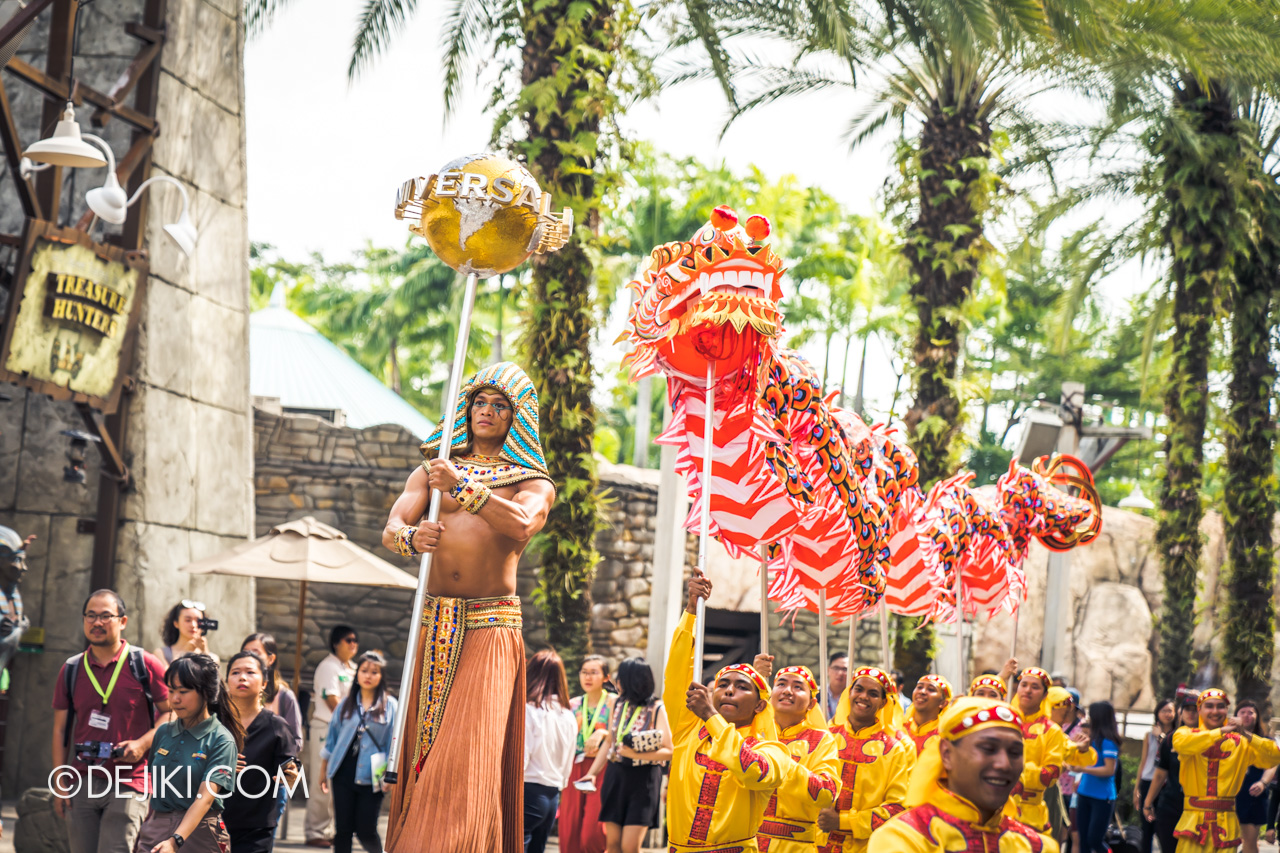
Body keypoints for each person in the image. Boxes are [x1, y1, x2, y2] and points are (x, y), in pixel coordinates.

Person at [383, 362, 556, 853]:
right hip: (434, 620)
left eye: (500, 405)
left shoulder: (532, 480)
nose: (487, 411)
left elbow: (522, 525)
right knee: (424, 748)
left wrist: (461, 486)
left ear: (516, 417)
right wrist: (412, 538)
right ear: (467, 408)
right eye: (480, 402)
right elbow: (391, 528)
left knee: (466, 752)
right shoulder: (432, 466)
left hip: (491, 622)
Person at [663, 573, 794, 851]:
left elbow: (754, 770)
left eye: (741, 687)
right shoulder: (688, 730)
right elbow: (677, 674)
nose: (729, 690)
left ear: (760, 705)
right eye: (722, 684)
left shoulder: (772, 750)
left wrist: (711, 716)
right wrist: (691, 610)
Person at [52, 589, 173, 853]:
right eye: (91, 616)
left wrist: (142, 743)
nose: (97, 623)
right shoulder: (71, 668)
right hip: (82, 779)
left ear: (123, 621)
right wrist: (60, 781)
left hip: (130, 780)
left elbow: (172, 712)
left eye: (106, 616)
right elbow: (61, 729)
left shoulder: (145, 664)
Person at [866, 697, 1057, 852]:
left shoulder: (1038, 846)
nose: (1004, 764)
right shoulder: (904, 839)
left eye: (1015, 753)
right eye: (988, 748)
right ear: (947, 754)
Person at [134, 654, 243, 853]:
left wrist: (175, 841)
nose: (175, 699)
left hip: (200, 835)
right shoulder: (163, 732)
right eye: (171, 690)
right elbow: (155, 788)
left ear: (207, 693)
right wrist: (145, 830)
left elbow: (205, 799)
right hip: (156, 829)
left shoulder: (221, 740)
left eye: (183, 691)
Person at [816, 665, 914, 853]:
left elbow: (896, 809)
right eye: (858, 689)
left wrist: (843, 821)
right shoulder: (826, 737)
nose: (863, 697)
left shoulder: (893, 750)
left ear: (883, 702)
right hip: (816, 843)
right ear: (849, 693)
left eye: (873, 693)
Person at [1170, 688, 1280, 853]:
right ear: (1199, 709)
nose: (1215, 711)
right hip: (1193, 824)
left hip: (1225, 824)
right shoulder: (1186, 733)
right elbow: (1182, 745)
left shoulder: (1240, 741)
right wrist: (1221, 731)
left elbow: (1273, 757)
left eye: (1220, 706)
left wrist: (1246, 734)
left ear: (1227, 710)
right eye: (1209, 706)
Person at [581, 657, 673, 853]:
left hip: (644, 780)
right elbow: (609, 743)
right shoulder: (618, 704)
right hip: (615, 775)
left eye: (620, 678)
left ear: (632, 680)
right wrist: (592, 773)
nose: (617, 682)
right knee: (612, 846)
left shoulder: (657, 708)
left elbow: (669, 751)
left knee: (629, 848)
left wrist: (633, 754)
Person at [749, 655, 840, 852]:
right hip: (746, 843)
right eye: (781, 684)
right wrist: (754, 677)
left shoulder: (821, 740)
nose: (788, 691)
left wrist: (781, 763)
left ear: (810, 703)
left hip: (795, 846)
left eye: (798, 687)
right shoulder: (752, 732)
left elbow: (827, 792)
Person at [222, 650, 299, 853]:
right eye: (235, 672)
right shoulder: (214, 722)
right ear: (227, 680)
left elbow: (290, 767)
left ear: (265, 683)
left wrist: (290, 776)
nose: (242, 678)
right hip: (212, 820)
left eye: (250, 672)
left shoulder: (277, 726)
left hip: (256, 826)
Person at [321, 651, 397, 853]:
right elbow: (332, 740)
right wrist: (323, 771)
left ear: (381, 677)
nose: (368, 676)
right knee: (343, 830)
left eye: (374, 672)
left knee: (366, 829)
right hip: (342, 772)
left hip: (374, 774)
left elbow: (393, 743)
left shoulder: (390, 706)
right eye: (364, 671)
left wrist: (391, 775)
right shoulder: (345, 704)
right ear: (357, 675)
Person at [1007, 667, 1095, 833]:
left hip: (1029, 815)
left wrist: (1011, 772)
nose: (1027, 690)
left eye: (1035, 687)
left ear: (1045, 695)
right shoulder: (1004, 722)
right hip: (996, 810)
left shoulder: (1050, 730)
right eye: (1024, 685)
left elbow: (1051, 773)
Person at [241, 632, 304, 835]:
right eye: (245, 652)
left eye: (255, 652)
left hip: (270, 781)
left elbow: (296, 740)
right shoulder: (233, 695)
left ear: (271, 658)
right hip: (238, 779)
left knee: (262, 837)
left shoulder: (284, 696)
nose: (249, 656)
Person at [306, 625, 359, 847]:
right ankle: (315, 831)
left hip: (346, 731)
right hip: (328, 728)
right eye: (348, 640)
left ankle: (328, 830)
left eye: (355, 640)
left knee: (339, 783)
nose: (353, 643)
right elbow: (332, 700)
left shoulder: (352, 668)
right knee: (323, 781)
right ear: (336, 642)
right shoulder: (328, 667)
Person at [522, 649, 578, 853]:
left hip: (528, 790)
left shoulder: (529, 710)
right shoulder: (567, 715)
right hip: (553, 794)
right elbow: (568, 759)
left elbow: (522, 758)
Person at [560, 655, 615, 853]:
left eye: (594, 672)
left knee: (593, 829)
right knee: (569, 826)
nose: (588, 677)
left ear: (606, 677)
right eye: (584, 672)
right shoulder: (572, 704)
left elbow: (620, 734)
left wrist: (603, 732)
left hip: (602, 768)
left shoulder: (613, 703)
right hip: (574, 766)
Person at [1143, 696, 1199, 853]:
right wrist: (1147, 803)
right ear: (1181, 713)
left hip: (1198, 808)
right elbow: (1160, 774)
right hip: (1170, 805)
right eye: (1188, 709)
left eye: (1196, 710)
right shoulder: (1170, 739)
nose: (1191, 714)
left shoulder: (1211, 739)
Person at [1075, 701, 1119, 853]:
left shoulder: (1108, 742)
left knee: (1094, 839)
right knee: (1083, 842)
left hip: (1102, 798)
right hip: (1084, 793)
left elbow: (1109, 770)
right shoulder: (1091, 740)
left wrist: (1082, 769)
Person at [1135, 699, 1175, 853]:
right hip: (1148, 782)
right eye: (1164, 710)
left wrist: (1161, 737)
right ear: (1157, 713)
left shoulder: (1178, 735)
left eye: (1170, 710)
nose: (1167, 714)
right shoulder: (1149, 735)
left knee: (1164, 828)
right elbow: (1143, 762)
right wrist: (1136, 789)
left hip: (1167, 785)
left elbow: (1170, 753)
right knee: (1147, 829)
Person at [1233, 701, 1271, 853]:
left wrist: (1263, 783)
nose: (1247, 715)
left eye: (1251, 712)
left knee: (1250, 844)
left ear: (1257, 716)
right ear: (1236, 715)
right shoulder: (1227, 737)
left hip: (1253, 793)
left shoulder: (1265, 741)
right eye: (1243, 712)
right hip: (1231, 794)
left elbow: (1272, 765)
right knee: (1228, 842)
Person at [153, 600, 219, 666]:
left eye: (198, 621)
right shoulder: (161, 654)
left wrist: (206, 654)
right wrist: (184, 654)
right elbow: (168, 675)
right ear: (176, 623)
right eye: (188, 620)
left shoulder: (214, 658)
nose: (193, 625)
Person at [905, 675, 953, 756]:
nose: (922, 692)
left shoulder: (945, 737)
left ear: (943, 703)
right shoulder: (900, 729)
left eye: (931, 689)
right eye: (919, 687)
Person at [826, 653, 849, 721]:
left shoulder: (853, 698)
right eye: (836, 668)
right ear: (828, 670)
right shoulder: (815, 695)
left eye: (845, 669)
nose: (840, 673)